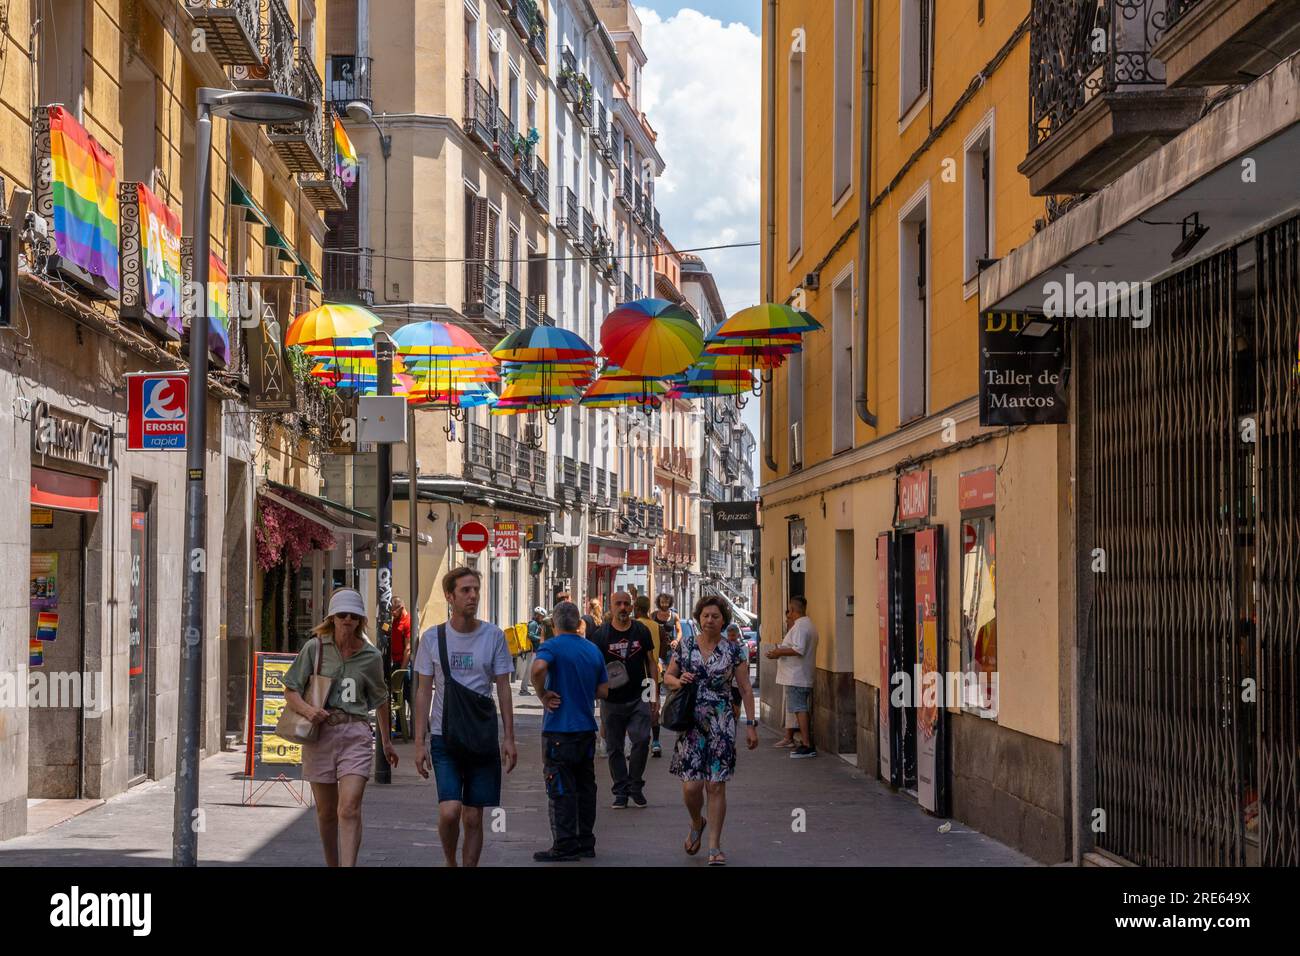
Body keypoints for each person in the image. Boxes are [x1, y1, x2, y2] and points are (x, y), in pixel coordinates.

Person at [283, 588, 397, 867]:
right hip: (319, 735)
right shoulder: (316, 648)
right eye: (342, 615)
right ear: (332, 618)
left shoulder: (370, 657)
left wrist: (386, 742)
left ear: (360, 620)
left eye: (354, 616)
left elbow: (381, 699)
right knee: (326, 812)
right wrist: (309, 710)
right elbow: (291, 690)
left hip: (355, 733)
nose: (348, 620)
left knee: (349, 807)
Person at [413, 567, 518, 867]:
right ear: (450, 596)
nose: (472, 596)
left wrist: (509, 738)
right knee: (450, 811)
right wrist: (419, 742)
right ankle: (450, 860)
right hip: (444, 736)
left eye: (476, 590)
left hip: (482, 735)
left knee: (473, 816)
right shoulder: (432, 638)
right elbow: (423, 692)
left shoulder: (494, 636)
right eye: (465, 590)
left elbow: (504, 687)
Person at [664, 595, 757, 866]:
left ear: (723, 620)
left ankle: (714, 846)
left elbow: (745, 688)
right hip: (691, 721)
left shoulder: (734, 650)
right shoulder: (687, 645)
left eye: (715, 616)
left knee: (716, 785)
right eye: (705, 616)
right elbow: (667, 676)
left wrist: (751, 725)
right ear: (698, 617)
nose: (710, 620)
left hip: (722, 721)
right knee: (692, 786)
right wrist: (678, 680)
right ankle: (697, 821)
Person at [530, 602, 610, 861]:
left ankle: (564, 845)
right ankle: (586, 842)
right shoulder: (592, 650)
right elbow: (604, 691)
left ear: (554, 624)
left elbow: (538, 669)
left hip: (559, 730)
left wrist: (542, 694)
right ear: (578, 623)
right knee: (586, 788)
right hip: (586, 728)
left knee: (561, 788)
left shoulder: (551, 645)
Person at [588, 591, 658, 808]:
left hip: (639, 698)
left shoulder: (641, 631)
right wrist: (596, 696)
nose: (623, 608)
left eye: (627, 604)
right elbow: (594, 668)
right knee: (615, 747)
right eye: (618, 603)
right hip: (612, 701)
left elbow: (651, 663)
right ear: (611, 606)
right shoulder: (601, 636)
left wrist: (653, 695)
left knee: (641, 741)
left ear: (632, 606)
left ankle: (635, 785)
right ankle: (620, 791)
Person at [767, 595, 817, 758]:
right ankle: (805, 742)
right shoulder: (806, 625)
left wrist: (778, 652)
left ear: (793, 610)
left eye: (789, 610)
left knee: (800, 708)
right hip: (799, 675)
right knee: (798, 708)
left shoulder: (801, 627)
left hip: (797, 676)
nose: (787, 613)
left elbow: (798, 649)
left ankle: (806, 744)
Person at [635, 595, 665, 757]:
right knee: (654, 708)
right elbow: (663, 651)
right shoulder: (657, 626)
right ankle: (656, 742)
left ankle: (640, 743)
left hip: (638, 675)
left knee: (638, 710)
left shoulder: (634, 626)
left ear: (637, 608)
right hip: (654, 676)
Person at [518, 607, 546, 696]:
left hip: (534, 650)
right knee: (528, 670)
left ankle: (526, 687)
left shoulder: (537, 624)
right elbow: (530, 635)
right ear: (537, 615)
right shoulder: (533, 624)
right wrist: (541, 639)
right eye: (541, 616)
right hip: (531, 650)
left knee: (530, 670)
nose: (542, 618)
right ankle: (523, 690)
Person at [725, 623, 748, 720]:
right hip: (727, 682)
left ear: (738, 635)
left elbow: (744, 664)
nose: (731, 638)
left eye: (733, 635)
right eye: (729, 635)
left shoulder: (743, 647)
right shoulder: (725, 647)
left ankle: (735, 723)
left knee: (736, 706)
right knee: (730, 706)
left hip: (738, 683)